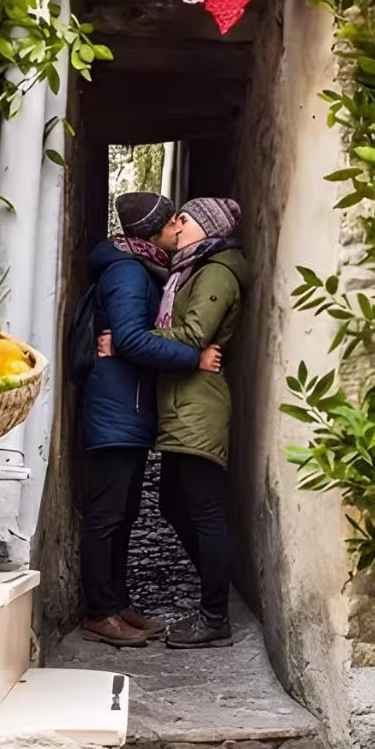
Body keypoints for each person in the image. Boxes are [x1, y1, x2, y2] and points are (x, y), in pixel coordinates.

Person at [79, 191, 222, 648]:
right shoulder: (127, 272)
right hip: (116, 409)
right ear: (156, 231)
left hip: (130, 407)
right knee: (106, 515)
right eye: (170, 225)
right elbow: (131, 339)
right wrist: (193, 357)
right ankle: (100, 611)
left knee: (124, 514)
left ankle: (118, 602)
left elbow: (126, 340)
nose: (176, 231)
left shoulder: (141, 270)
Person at [154, 197, 250, 649]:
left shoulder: (216, 271)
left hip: (200, 407)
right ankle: (216, 589)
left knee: (206, 511)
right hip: (182, 404)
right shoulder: (190, 269)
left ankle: (215, 617)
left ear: (205, 228)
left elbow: (195, 334)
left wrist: (134, 337)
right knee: (172, 502)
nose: (177, 224)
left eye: (185, 218)